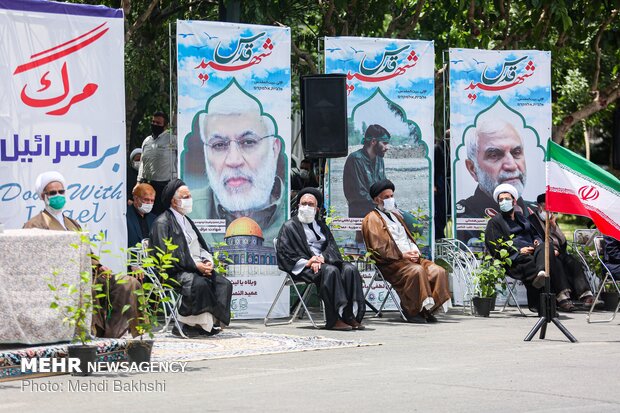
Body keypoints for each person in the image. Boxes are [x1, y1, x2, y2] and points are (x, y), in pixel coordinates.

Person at [23, 171, 140, 338]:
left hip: (89, 273)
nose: (58, 195)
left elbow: (86, 251)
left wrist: (99, 266)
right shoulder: (34, 224)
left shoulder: (72, 223)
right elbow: (34, 261)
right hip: (62, 280)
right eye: (52, 193)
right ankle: (93, 334)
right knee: (89, 290)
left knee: (129, 283)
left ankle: (120, 334)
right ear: (43, 196)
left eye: (61, 192)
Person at [191, 89, 286, 244]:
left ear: (274, 149)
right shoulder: (190, 211)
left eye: (248, 142)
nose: (234, 161)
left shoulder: (294, 210)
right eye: (219, 145)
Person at [149, 179, 233, 337]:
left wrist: (207, 261)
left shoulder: (186, 220)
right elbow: (167, 257)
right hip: (174, 271)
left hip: (195, 267)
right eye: (185, 197)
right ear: (174, 201)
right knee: (199, 284)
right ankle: (185, 325)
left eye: (189, 196)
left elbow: (200, 246)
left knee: (223, 284)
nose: (189, 200)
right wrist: (195, 266)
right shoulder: (162, 223)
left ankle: (206, 325)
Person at [362, 179, 450, 323]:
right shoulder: (371, 219)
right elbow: (378, 248)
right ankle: (412, 310)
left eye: (392, 196)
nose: (391, 199)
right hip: (391, 263)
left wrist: (414, 251)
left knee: (437, 271)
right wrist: (402, 255)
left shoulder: (396, 216)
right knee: (417, 271)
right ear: (376, 200)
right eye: (386, 197)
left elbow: (408, 238)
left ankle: (426, 310)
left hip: (410, 258)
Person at [276, 188, 366, 330]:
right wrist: (309, 262)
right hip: (304, 267)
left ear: (317, 209)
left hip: (323, 263)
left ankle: (349, 316)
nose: (306, 207)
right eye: (303, 203)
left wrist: (321, 258)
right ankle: (334, 319)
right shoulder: (289, 227)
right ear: (298, 206)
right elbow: (285, 253)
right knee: (330, 271)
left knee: (350, 269)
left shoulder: (322, 227)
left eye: (310, 204)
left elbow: (332, 248)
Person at [485, 184, 575, 312]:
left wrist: (537, 242)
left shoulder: (522, 218)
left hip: (534, 253)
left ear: (514, 201)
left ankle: (542, 275)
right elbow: (495, 247)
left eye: (507, 199)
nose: (504, 202)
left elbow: (536, 235)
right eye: (501, 200)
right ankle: (551, 302)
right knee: (545, 264)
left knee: (546, 247)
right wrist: (518, 251)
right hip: (515, 260)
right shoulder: (495, 222)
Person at [456, 119, 536, 246]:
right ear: (472, 168)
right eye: (494, 155)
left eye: (516, 152)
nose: (511, 165)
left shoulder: (536, 212)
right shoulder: (463, 216)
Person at [528, 193, 596, 307]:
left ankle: (586, 295)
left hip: (559, 252)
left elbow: (563, 243)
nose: (548, 211)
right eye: (546, 208)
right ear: (539, 207)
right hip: (544, 254)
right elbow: (535, 240)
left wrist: (554, 226)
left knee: (574, 262)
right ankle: (562, 297)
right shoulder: (531, 220)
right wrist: (549, 249)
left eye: (551, 208)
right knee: (557, 263)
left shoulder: (552, 219)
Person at [343, 124, 390, 218]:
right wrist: (381, 204)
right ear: (373, 141)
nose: (387, 147)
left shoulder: (379, 159)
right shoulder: (355, 159)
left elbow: (383, 185)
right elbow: (359, 193)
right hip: (361, 211)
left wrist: (389, 201)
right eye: (384, 143)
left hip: (379, 208)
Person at [138, 111, 177, 215]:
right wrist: (138, 182)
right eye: (153, 122)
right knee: (145, 214)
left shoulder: (172, 139)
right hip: (146, 184)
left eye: (158, 123)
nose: (154, 125)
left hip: (163, 186)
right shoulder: (147, 141)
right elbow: (143, 162)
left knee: (161, 215)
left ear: (165, 125)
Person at [127, 183, 156, 248]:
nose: (149, 203)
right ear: (136, 198)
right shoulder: (125, 216)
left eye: (152, 201)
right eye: (146, 200)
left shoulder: (154, 219)